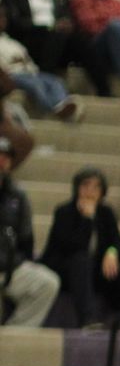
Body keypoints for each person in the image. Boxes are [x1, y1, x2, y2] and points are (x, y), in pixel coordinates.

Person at [44, 166, 120, 327]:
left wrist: (111, 252)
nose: (90, 191)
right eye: (86, 185)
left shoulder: (106, 213)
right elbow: (74, 247)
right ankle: (88, 320)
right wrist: (87, 220)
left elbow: (118, 243)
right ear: (77, 188)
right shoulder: (64, 212)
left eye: (96, 187)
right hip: (67, 270)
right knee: (81, 259)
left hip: (94, 271)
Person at [0, 136, 54, 328]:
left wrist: (23, 261)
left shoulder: (18, 195)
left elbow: (26, 237)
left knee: (47, 283)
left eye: (6, 157)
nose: (1, 161)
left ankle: (14, 333)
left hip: (10, 267)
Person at [0, 6, 80, 120]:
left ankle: (61, 104)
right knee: (36, 85)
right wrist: (14, 64)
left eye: (3, 17)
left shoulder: (11, 42)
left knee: (55, 81)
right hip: (12, 75)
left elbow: (26, 59)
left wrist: (26, 64)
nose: (3, 20)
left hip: (29, 72)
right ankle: (53, 109)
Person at [3, 0, 68, 73]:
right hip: (29, 36)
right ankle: (45, 74)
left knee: (79, 40)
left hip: (55, 35)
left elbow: (62, 15)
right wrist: (48, 26)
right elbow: (15, 22)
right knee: (51, 35)